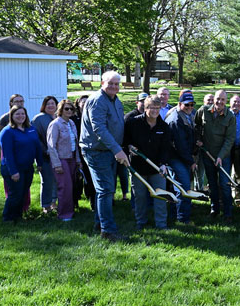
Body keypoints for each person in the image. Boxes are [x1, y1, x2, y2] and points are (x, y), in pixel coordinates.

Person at [80, 71, 129, 241]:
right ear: (102, 83)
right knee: (105, 190)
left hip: (110, 150)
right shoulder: (98, 101)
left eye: (117, 84)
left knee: (106, 190)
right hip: (96, 151)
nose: (114, 86)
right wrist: (117, 150)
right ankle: (108, 231)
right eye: (111, 83)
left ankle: (99, 224)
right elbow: (99, 129)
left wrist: (123, 146)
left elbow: (118, 125)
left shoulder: (115, 100)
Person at [124, 95, 170, 230]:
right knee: (140, 197)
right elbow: (125, 141)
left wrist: (163, 164)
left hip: (157, 168)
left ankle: (161, 224)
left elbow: (166, 148)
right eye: (151, 108)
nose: (155, 111)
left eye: (157, 108)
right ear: (145, 108)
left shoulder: (164, 126)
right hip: (138, 168)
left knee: (160, 196)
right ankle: (141, 222)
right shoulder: (133, 123)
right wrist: (129, 147)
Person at [195, 89, 236, 222]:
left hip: (223, 156)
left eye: (222, 100)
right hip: (207, 154)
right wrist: (199, 138)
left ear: (226, 101)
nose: (219, 102)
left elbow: (230, 140)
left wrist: (220, 156)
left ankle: (228, 212)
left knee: (224, 184)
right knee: (212, 184)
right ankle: (214, 209)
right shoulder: (204, 110)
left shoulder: (230, 117)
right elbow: (196, 126)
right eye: (217, 99)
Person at [0, 106, 43, 222]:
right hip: (12, 168)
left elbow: (37, 147)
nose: (20, 116)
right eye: (17, 114)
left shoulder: (30, 129)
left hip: (27, 167)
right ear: (11, 116)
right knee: (15, 194)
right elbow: (8, 155)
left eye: (22, 114)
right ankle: (8, 218)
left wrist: (39, 163)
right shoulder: (7, 132)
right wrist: (13, 172)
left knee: (23, 192)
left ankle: (18, 216)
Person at [47, 100, 81, 221]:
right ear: (60, 110)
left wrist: (78, 160)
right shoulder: (55, 124)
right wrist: (57, 164)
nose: (69, 111)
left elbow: (75, 143)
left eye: (71, 109)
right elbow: (51, 146)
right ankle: (64, 214)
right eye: (66, 109)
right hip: (61, 159)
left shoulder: (71, 123)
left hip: (71, 158)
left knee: (71, 186)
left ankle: (70, 211)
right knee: (65, 187)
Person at [165, 91, 197, 224]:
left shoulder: (187, 115)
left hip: (182, 157)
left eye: (191, 104)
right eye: (186, 105)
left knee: (178, 187)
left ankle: (174, 215)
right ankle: (183, 218)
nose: (190, 107)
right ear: (179, 104)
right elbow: (180, 145)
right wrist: (191, 161)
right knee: (184, 188)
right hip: (176, 157)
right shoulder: (176, 120)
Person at [0, 94, 31, 212]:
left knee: (24, 185)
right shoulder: (4, 119)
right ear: (11, 103)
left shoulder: (24, 116)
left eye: (21, 101)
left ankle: (24, 207)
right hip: (9, 153)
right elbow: (0, 141)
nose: (19, 103)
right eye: (16, 101)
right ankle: (11, 210)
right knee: (14, 185)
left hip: (23, 155)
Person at [32, 96, 59, 214]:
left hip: (59, 155)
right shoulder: (38, 119)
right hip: (45, 156)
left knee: (57, 180)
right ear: (44, 106)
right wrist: (45, 151)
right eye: (48, 104)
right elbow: (36, 138)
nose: (51, 106)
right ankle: (46, 205)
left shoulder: (59, 117)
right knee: (47, 181)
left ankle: (54, 202)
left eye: (53, 103)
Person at [72, 95, 95, 210]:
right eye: (83, 101)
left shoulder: (92, 116)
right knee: (77, 178)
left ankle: (92, 199)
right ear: (78, 103)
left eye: (87, 102)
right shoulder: (73, 118)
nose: (85, 103)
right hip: (76, 151)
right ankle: (75, 201)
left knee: (89, 177)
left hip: (88, 150)